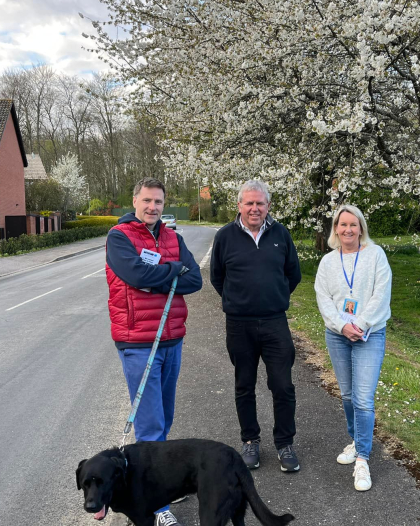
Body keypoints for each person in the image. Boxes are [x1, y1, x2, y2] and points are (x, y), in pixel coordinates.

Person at [105, 177, 202, 526]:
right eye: (147, 200)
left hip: (171, 338)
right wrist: (172, 272)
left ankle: (156, 481)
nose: (152, 207)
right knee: (149, 426)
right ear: (134, 201)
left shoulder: (173, 237)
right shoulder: (119, 237)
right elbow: (132, 273)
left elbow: (195, 280)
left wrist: (157, 277)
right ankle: (154, 506)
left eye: (158, 202)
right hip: (138, 342)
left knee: (165, 418)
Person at [210, 179, 303, 473]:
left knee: (282, 385)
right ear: (239, 205)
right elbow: (217, 278)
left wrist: (273, 297)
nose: (254, 208)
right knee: (244, 385)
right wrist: (240, 301)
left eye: (260, 203)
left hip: (275, 322)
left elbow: (293, 274)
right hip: (239, 325)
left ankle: (284, 443)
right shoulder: (225, 236)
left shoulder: (280, 234)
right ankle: (250, 440)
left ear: (268, 206)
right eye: (249, 203)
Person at [314, 204, 392, 492]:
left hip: (369, 335)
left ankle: (362, 458)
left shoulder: (375, 256)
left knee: (363, 398)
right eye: (342, 224)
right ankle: (356, 439)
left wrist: (359, 324)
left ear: (361, 228)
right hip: (337, 335)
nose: (348, 229)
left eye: (353, 224)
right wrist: (342, 326)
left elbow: (380, 295)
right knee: (347, 395)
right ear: (336, 228)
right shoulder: (328, 263)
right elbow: (323, 299)